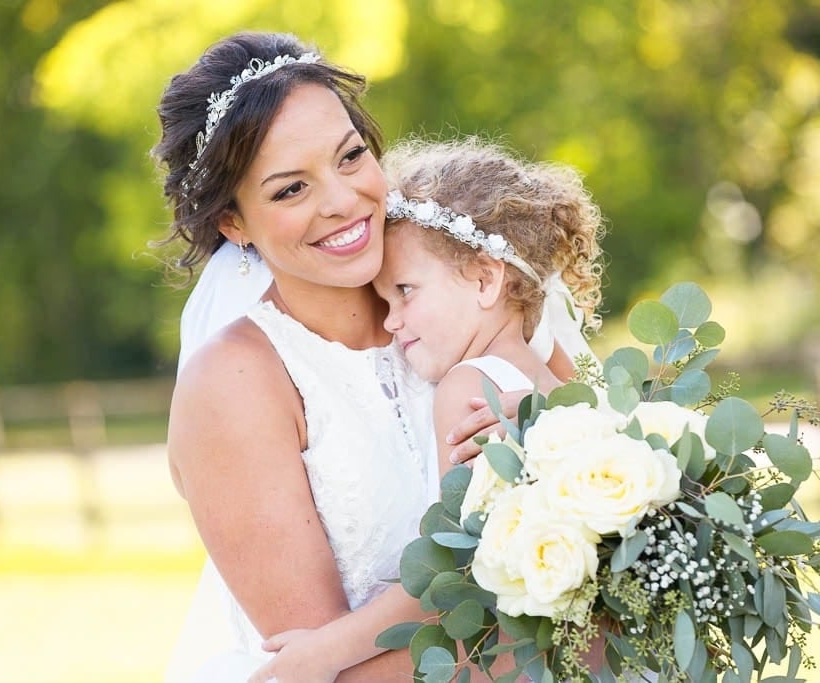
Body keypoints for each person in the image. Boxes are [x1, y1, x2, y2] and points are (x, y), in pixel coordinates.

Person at [155, 32, 598, 682]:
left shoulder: (465, 286)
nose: (341, 200)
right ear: (234, 224)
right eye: (289, 190)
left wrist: (553, 433)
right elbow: (323, 671)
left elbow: (619, 466)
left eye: (351, 155)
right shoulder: (235, 385)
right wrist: (584, 649)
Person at [248, 137, 605, 682]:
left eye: (405, 292)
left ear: (485, 279)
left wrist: (326, 651)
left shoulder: (468, 387)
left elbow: (454, 568)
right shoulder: (554, 382)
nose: (391, 323)